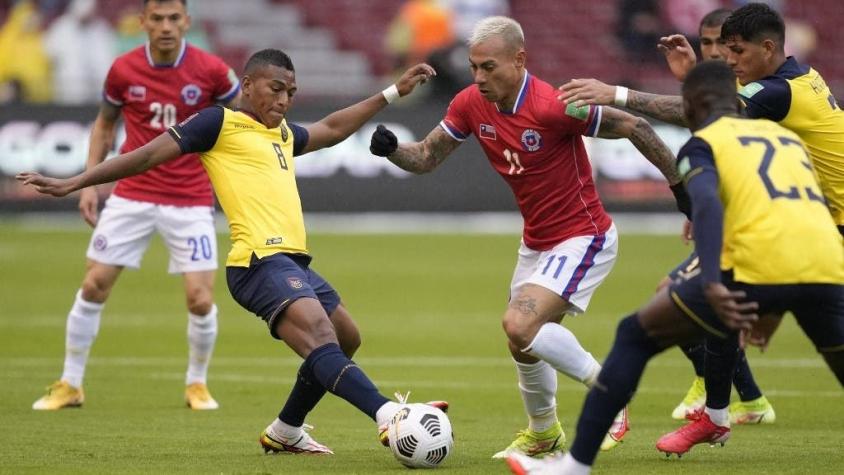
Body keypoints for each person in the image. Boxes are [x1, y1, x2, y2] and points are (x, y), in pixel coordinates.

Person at [19, 48, 439, 454]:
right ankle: (388, 414)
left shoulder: (281, 133)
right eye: (275, 89)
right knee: (321, 336)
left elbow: (330, 129)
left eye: (291, 93)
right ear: (248, 84)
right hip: (257, 262)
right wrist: (79, 182)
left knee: (346, 338)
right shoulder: (219, 123)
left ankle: (286, 430)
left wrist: (392, 93)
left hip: (292, 261)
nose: (283, 99)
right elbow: (146, 154)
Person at [369, 16, 688, 459]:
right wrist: (392, 150)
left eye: (489, 67)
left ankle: (612, 389)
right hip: (537, 241)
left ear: (519, 60)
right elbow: (425, 157)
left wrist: (682, 192)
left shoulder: (554, 104)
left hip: (584, 235)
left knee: (521, 323)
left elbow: (636, 127)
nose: (479, 77)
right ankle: (544, 433)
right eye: (474, 67)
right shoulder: (468, 103)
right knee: (521, 341)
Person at [506, 59, 844, 475]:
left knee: (633, 337)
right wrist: (775, 307)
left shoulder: (703, 145)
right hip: (827, 262)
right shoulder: (783, 137)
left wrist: (715, 281)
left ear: (693, 104)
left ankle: (574, 465)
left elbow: (703, 203)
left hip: (758, 263)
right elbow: (813, 205)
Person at [30, 0, 241, 412]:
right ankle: (71, 383)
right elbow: (105, 125)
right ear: (142, 22)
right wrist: (90, 183)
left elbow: (240, 126)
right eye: (157, 19)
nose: (165, 27)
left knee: (200, 298)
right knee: (93, 285)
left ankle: (197, 383)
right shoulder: (123, 69)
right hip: (133, 194)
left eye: (173, 19)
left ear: (187, 23)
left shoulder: (212, 71)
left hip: (190, 197)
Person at [649, 8, 775, 424]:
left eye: (725, 42)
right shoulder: (727, 90)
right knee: (686, 296)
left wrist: (617, 97)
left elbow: (723, 122)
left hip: (780, 225)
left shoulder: (763, 91)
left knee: (684, 299)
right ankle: (748, 400)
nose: (717, 51)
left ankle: (714, 391)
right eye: (707, 43)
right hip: (755, 219)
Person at [44, 0, 116, 104]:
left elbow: (109, 57)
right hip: (68, 92)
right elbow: (49, 54)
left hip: (97, 94)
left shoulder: (101, 29)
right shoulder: (60, 28)